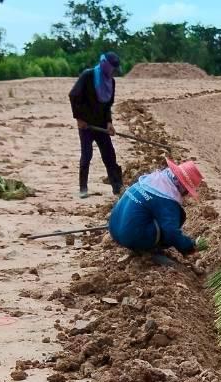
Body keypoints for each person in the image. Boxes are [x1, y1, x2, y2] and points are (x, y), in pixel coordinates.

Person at [108, 159, 204, 257]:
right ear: (183, 187)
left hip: (113, 228)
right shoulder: (167, 199)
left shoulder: (150, 180)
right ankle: (147, 247)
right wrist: (188, 246)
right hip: (131, 238)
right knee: (179, 216)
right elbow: (171, 231)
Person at [69, 52, 123, 199]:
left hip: (101, 125)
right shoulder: (88, 76)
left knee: (109, 155)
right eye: (113, 68)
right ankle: (83, 188)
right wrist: (78, 118)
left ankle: (117, 187)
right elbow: (73, 96)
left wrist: (109, 123)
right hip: (86, 125)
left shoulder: (111, 82)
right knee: (86, 155)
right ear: (106, 65)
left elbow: (108, 105)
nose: (114, 72)